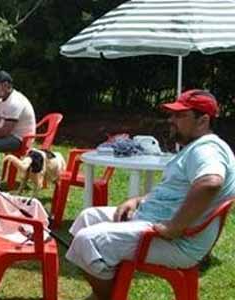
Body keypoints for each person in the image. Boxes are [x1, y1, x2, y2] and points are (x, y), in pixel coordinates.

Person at [65, 90, 234, 300]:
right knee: (87, 218)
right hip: (156, 222)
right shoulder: (196, 147)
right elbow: (175, 191)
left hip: (177, 242)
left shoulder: (207, 150)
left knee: (87, 240)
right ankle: (108, 293)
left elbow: (210, 183)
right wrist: (138, 201)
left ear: (203, 120)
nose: (171, 120)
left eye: (180, 116)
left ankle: (108, 296)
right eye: (172, 114)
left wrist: (174, 227)